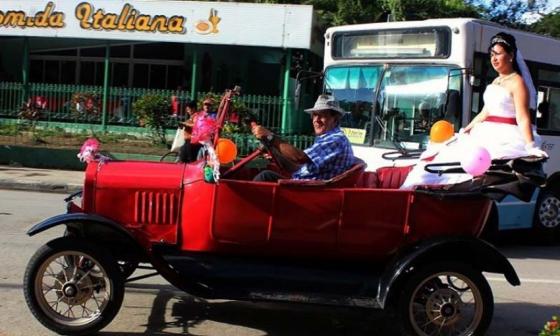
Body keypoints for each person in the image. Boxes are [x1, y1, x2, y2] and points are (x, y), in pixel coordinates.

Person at [400, 32, 548, 189]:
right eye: (492, 55)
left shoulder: (518, 82)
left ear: (511, 56)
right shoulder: (496, 81)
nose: (494, 59)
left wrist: (531, 146)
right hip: (485, 131)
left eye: (498, 54)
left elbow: (522, 117)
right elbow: (485, 112)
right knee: (446, 156)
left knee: (466, 167)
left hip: (505, 136)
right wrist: (467, 128)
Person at [252, 94, 356, 182]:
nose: (316, 120)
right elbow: (298, 167)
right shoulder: (327, 138)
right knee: (267, 174)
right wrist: (276, 152)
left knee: (265, 176)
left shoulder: (335, 139)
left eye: (322, 115)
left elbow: (299, 157)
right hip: (305, 186)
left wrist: (271, 137)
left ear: (335, 119)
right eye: (314, 115)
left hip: (310, 192)